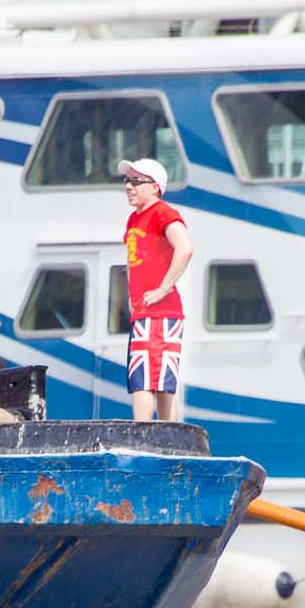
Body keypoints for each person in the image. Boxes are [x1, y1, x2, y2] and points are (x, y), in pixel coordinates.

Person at [118, 157, 194, 423]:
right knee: (153, 377)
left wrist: (163, 288)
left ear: (154, 187)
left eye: (136, 181)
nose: (129, 186)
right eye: (127, 180)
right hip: (145, 311)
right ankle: (166, 435)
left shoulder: (163, 213)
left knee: (147, 379)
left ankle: (147, 436)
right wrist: (131, 297)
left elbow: (185, 247)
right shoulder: (133, 220)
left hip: (161, 311)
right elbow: (133, 260)